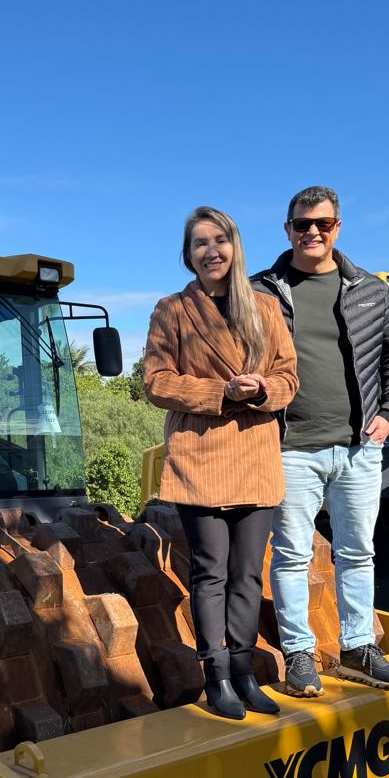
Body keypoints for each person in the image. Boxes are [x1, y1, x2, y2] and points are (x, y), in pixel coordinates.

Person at [251, 186, 389, 695]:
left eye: (322, 223)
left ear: (338, 227)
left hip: (359, 448)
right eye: (303, 224)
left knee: (357, 553)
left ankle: (357, 648)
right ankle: (300, 653)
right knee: (292, 555)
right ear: (288, 230)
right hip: (291, 446)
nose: (313, 232)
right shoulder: (260, 291)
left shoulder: (369, 290)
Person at [144, 207, 299, 720]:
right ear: (187, 256)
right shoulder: (173, 311)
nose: (211, 251)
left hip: (256, 456)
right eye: (199, 243)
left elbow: (289, 378)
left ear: (234, 247)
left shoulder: (264, 308)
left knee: (248, 575)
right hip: (201, 458)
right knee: (210, 573)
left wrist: (261, 391)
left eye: (219, 240)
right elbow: (156, 382)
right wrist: (219, 391)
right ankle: (216, 678)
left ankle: (244, 670)